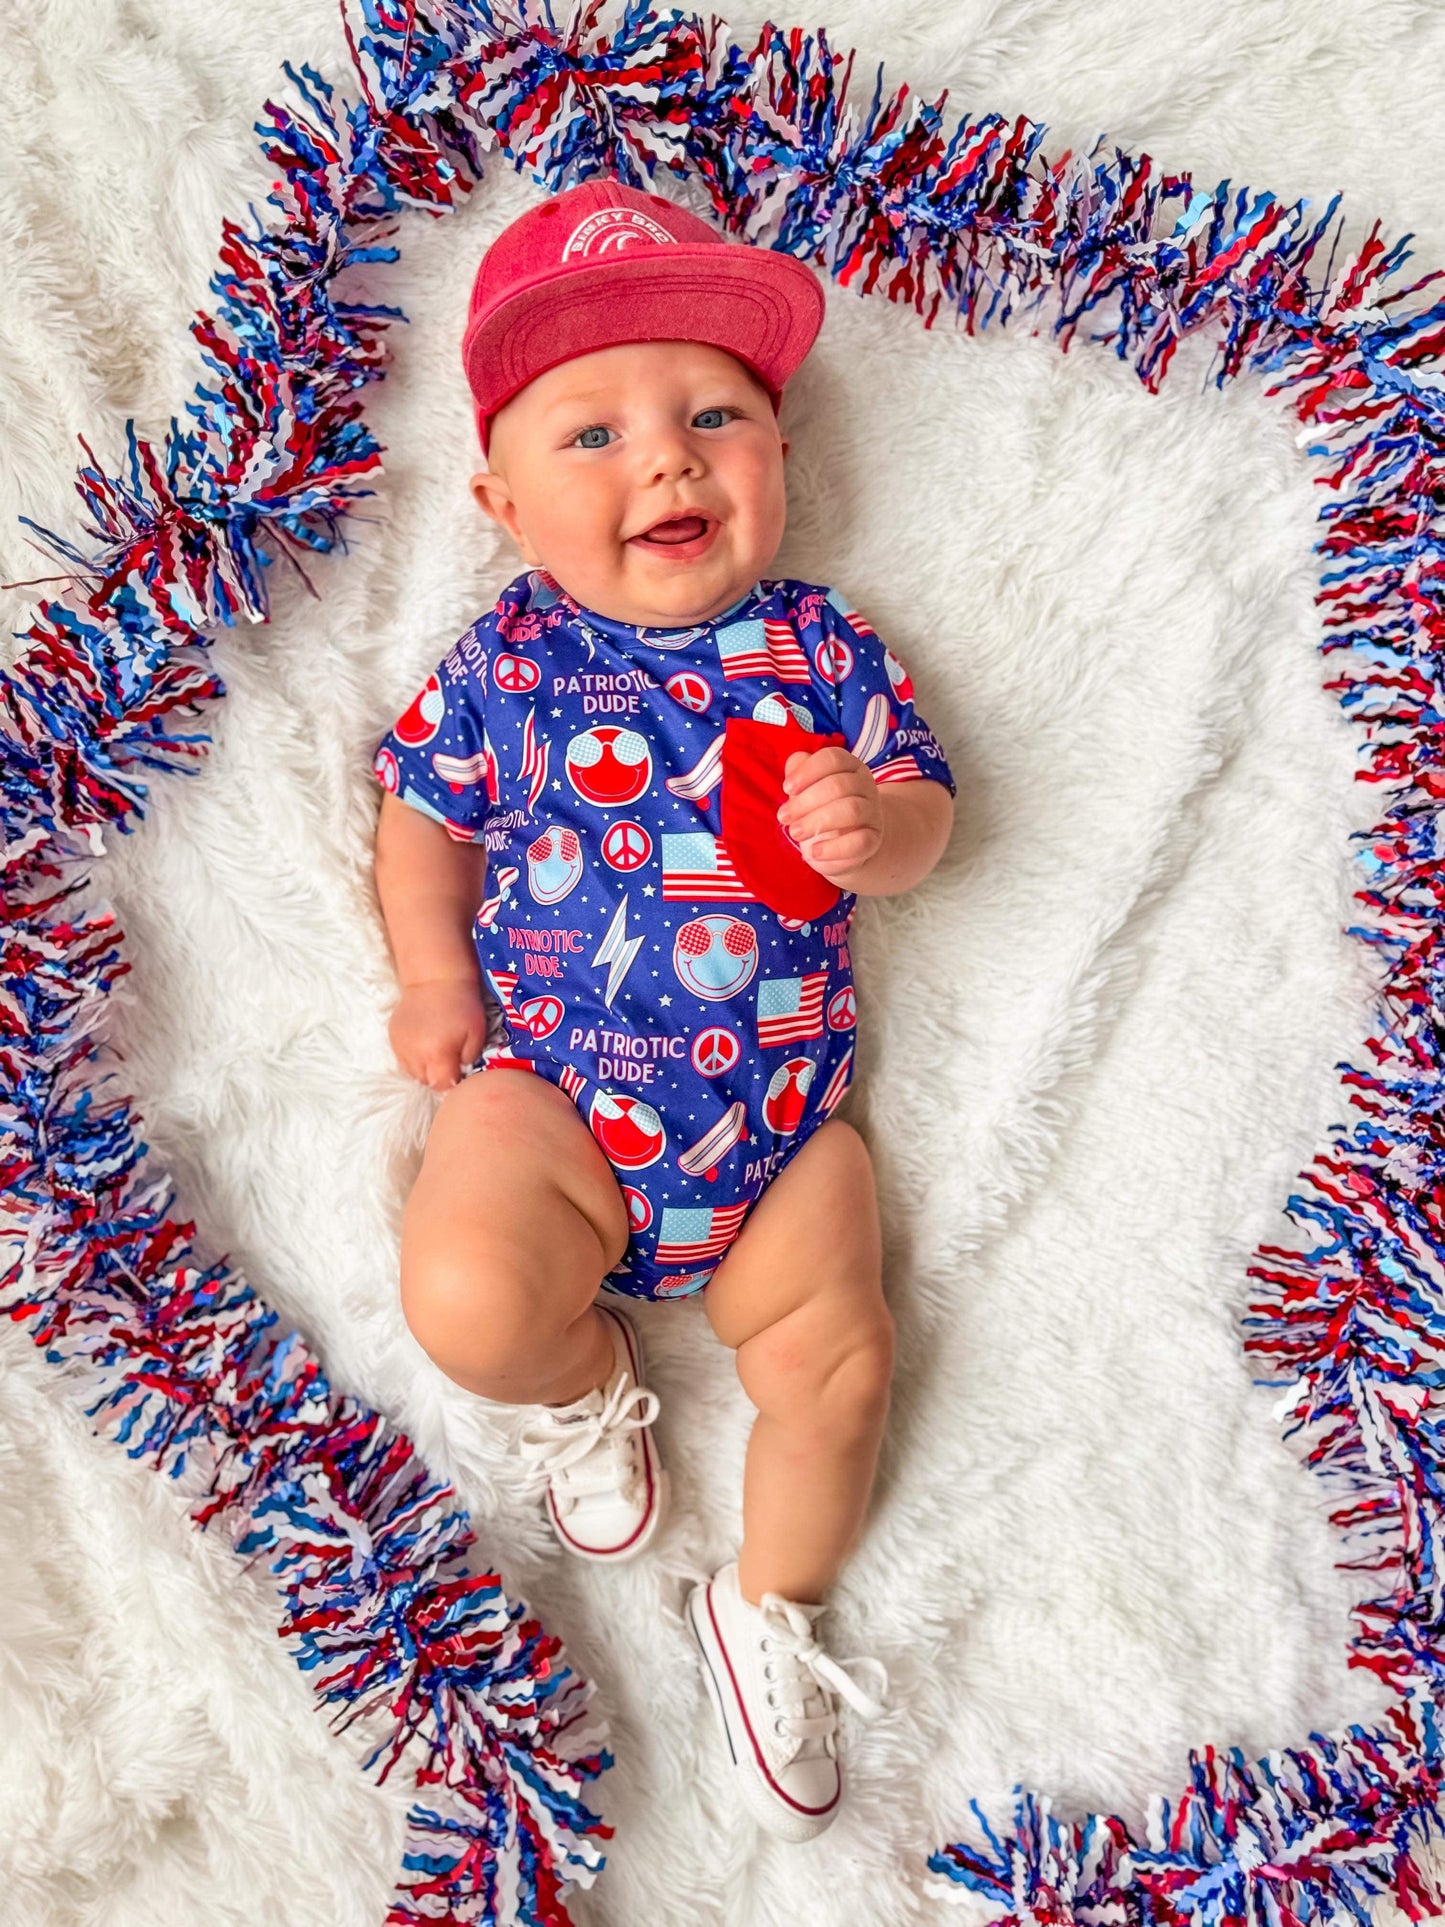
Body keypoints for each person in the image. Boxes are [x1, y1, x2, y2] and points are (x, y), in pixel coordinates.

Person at [371, 177, 955, 1842]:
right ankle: (573, 1376)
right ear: (495, 496)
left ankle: (767, 1604)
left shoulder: (824, 649)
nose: (670, 459)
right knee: (467, 1291)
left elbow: (928, 810)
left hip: (778, 1149)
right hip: (552, 1105)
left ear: (778, 451)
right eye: (595, 433)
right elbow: (421, 810)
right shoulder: (509, 663)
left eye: (717, 413)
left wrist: (881, 829)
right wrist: (433, 975)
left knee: (840, 1369)